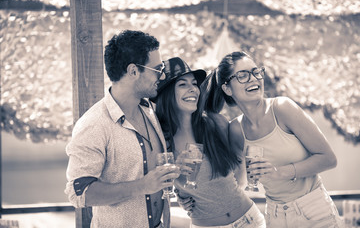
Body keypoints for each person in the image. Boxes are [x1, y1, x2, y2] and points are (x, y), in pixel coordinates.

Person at [203, 51, 344, 228]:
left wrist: (279, 172)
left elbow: (328, 158)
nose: (253, 79)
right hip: (275, 217)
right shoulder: (236, 130)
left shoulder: (282, 108)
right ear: (227, 88)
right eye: (243, 75)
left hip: (314, 211)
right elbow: (239, 182)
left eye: (256, 72)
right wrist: (196, 196)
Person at [65, 30, 180, 228]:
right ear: (134, 71)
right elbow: (79, 193)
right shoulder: (93, 124)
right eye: (157, 69)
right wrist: (141, 186)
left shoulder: (151, 111)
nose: (161, 76)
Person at [153, 57, 266, 228]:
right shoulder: (160, 138)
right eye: (183, 85)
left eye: (194, 84)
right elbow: (159, 181)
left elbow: (239, 177)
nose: (192, 89)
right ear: (167, 94)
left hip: (248, 220)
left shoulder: (215, 123)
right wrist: (180, 193)